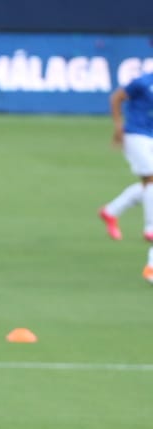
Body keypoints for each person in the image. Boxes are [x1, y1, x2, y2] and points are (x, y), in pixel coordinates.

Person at [97, 72, 153, 282]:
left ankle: (111, 210)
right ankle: (150, 227)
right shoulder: (143, 82)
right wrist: (118, 126)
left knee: (150, 184)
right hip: (136, 134)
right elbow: (116, 97)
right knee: (150, 179)